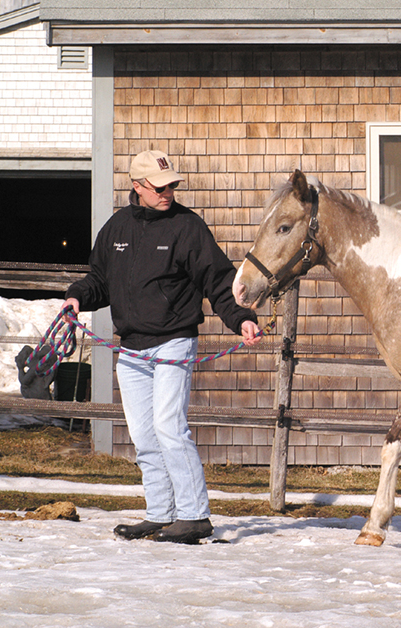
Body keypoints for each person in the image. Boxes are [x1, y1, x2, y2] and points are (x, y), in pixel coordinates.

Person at [63, 150, 262, 544]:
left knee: (169, 427)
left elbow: (218, 281)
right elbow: (100, 279)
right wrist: (76, 297)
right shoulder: (116, 229)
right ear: (137, 187)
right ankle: (160, 513)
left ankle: (194, 516)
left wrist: (241, 319)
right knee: (143, 434)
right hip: (132, 347)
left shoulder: (187, 228)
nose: (168, 192)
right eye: (160, 186)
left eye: (172, 185)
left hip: (174, 341)